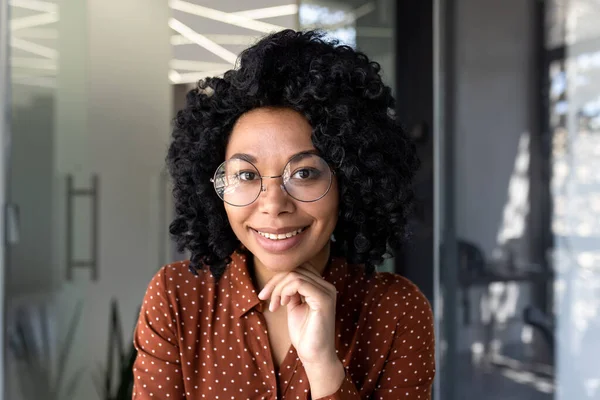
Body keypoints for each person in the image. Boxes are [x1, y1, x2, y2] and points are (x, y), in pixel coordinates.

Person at [132, 29, 435, 400]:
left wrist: (323, 364)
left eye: (304, 173)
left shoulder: (395, 309)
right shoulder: (177, 297)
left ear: (350, 182)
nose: (273, 204)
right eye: (246, 175)